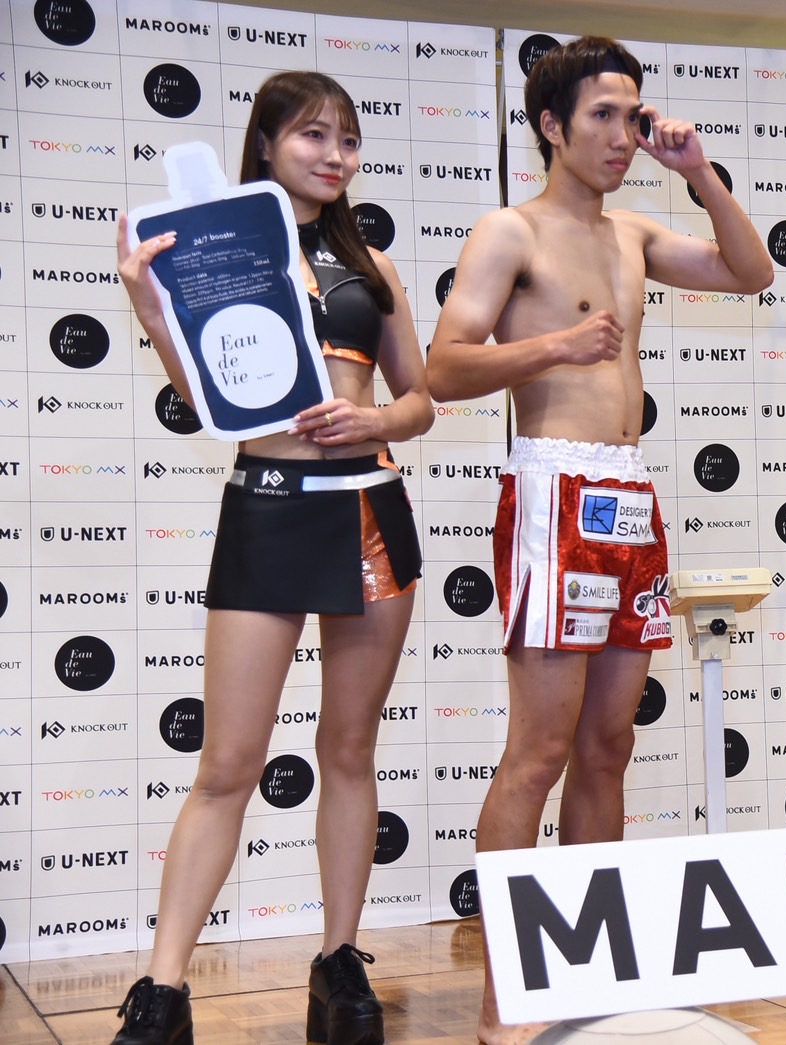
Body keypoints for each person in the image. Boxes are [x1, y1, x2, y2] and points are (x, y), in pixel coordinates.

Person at [425, 36, 772, 1043]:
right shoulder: (510, 229)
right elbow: (444, 367)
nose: (623, 136)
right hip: (552, 490)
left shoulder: (634, 231)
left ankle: (582, 970)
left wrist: (698, 172)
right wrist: (556, 345)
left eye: (633, 116)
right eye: (602, 117)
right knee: (537, 751)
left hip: (626, 493)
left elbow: (749, 271)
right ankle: (505, 992)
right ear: (551, 125)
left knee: (608, 745)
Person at [112, 71, 433, 1045]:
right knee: (228, 763)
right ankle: (163, 988)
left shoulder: (372, 266)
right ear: (264, 144)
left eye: (348, 139)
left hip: (368, 511)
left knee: (349, 748)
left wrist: (374, 419)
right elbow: (204, 395)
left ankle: (339, 961)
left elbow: (420, 401)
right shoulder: (217, 252)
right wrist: (151, 306)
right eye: (312, 136)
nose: (335, 155)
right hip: (265, 505)